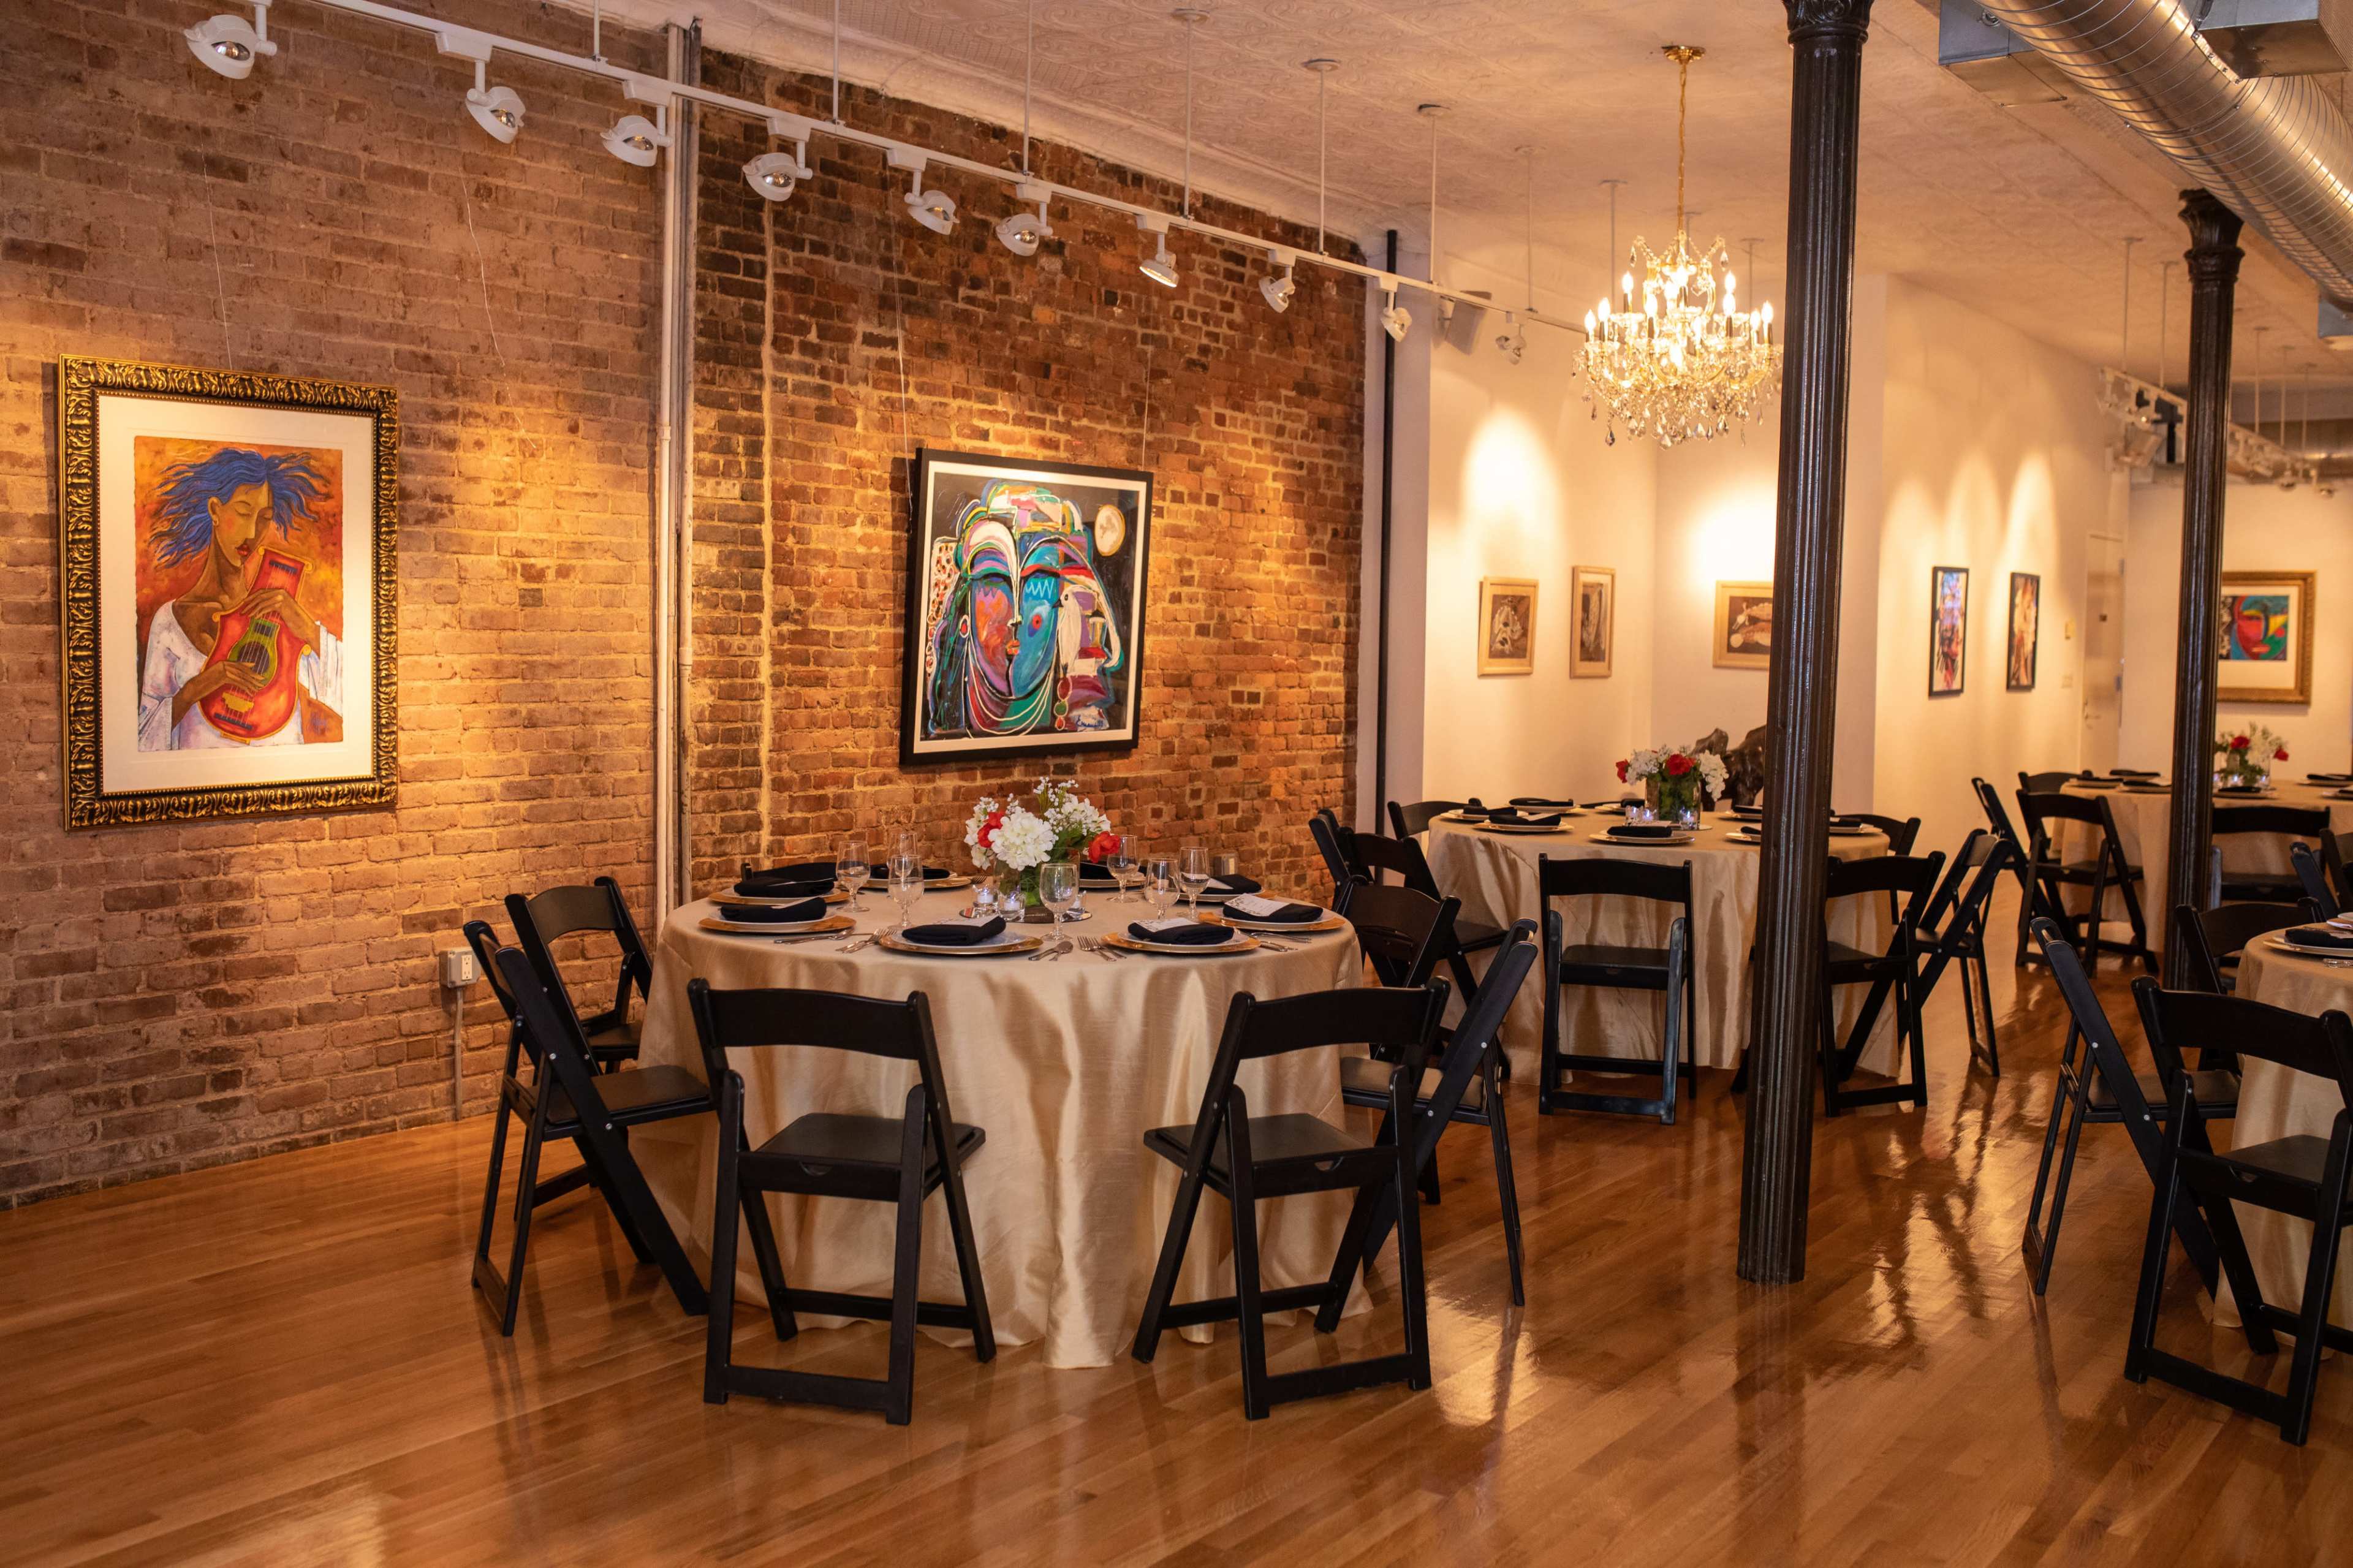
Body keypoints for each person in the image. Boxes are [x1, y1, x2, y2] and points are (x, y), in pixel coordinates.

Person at [135, 448, 341, 749]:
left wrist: (304, 625)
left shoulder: (279, 616)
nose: (251, 532)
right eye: (244, 512)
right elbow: (142, 738)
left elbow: (356, 694)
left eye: (264, 518)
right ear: (216, 510)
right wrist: (201, 685)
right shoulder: (171, 621)